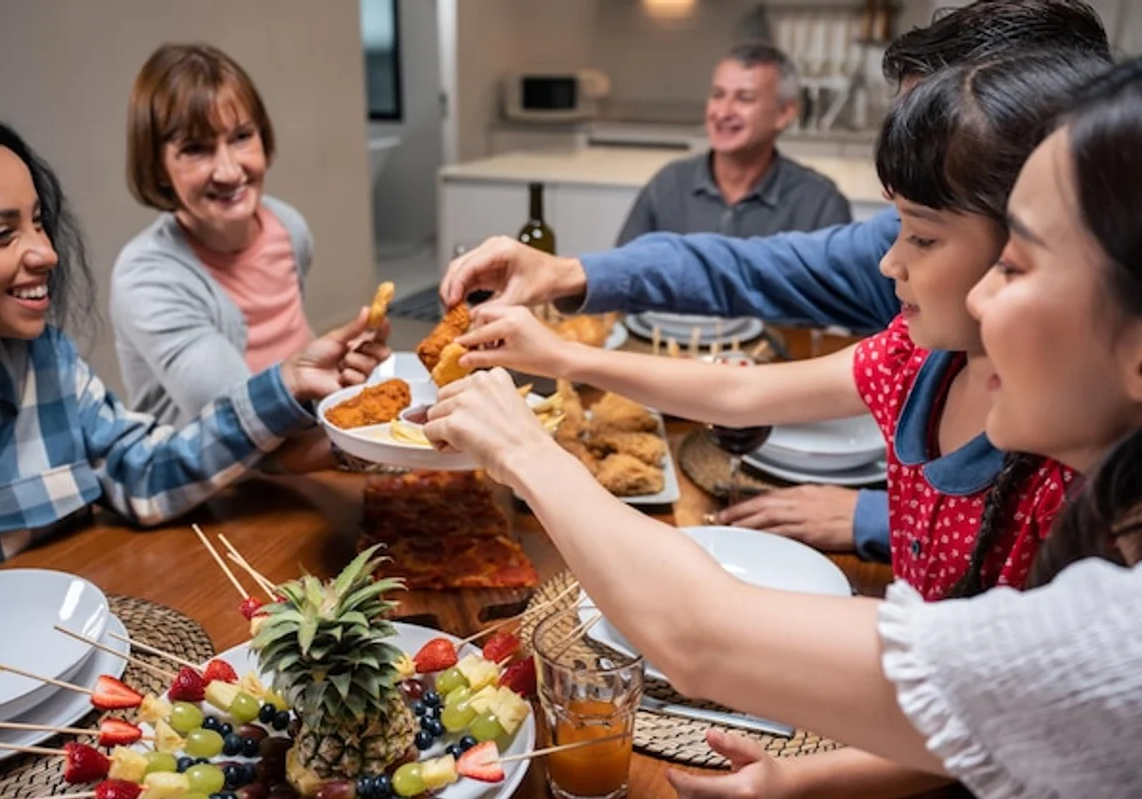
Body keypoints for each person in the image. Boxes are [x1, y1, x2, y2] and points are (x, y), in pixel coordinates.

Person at [421, 56, 1142, 798]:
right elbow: (972, 721)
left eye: (1016, 265)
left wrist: (522, 446)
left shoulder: (1112, 643)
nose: (981, 302)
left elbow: (701, 632)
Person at [438, 0, 1112, 564]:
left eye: (924, 224)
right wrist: (565, 306)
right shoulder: (912, 356)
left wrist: (528, 453)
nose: (890, 255)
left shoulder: (1075, 484)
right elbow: (739, 371)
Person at [0, 105, 383, 579]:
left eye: (37, 221)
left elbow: (146, 472)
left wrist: (288, 383)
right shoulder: (149, 275)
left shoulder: (47, 364)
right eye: (3, 234)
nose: (48, 253)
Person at [111, 43, 384, 469]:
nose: (229, 170)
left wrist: (337, 378)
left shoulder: (288, 227)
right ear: (158, 166)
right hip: (208, 496)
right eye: (196, 149)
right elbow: (239, 428)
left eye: (241, 137)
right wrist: (369, 441)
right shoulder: (147, 278)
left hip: (295, 469)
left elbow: (288, 358)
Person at [616, 43, 850, 246]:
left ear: (784, 113)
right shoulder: (668, 185)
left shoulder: (820, 203)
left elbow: (835, 295)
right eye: (718, 95)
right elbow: (621, 277)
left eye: (744, 98)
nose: (723, 112)